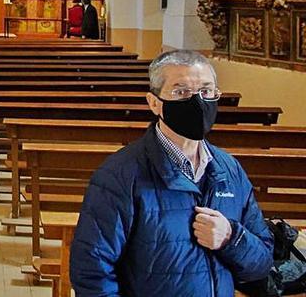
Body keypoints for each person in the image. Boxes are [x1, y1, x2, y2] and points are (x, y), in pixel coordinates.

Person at [70, 50, 273, 296]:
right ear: (154, 103)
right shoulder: (120, 175)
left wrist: (230, 238)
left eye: (206, 91)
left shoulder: (229, 169)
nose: (197, 102)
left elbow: (261, 264)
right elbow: (92, 273)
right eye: (181, 92)